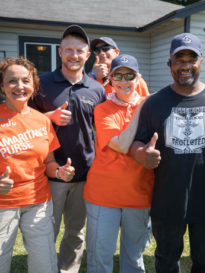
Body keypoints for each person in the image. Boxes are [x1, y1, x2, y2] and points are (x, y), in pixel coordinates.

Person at [129, 33, 205, 273]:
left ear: (201, 62)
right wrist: (143, 154)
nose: (185, 65)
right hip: (168, 198)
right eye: (179, 60)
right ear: (170, 64)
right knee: (165, 261)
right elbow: (138, 142)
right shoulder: (154, 103)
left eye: (191, 59)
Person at [29, 25, 106, 273]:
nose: (74, 54)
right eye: (69, 49)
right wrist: (47, 117)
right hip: (49, 173)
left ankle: (67, 270)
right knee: (46, 230)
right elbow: (23, 118)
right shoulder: (42, 83)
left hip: (85, 174)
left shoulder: (97, 89)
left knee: (76, 231)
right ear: (60, 52)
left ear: (87, 55)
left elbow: (102, 130)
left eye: (80, 50)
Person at [0, 57, 75, 273]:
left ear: (33, 85)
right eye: (12, 81)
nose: (20, 86)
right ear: (2, 86)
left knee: (45, 264)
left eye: (26, 80)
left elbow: (49, 162)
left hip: (38, 203)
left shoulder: (42, 120)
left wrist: (60, 171)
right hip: (3, 205)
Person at [83, 54, 153, 273]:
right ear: (110, 79)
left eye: (129, 75)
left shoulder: (151, 106)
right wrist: (141, 107)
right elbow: (121, 145)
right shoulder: (103, 109)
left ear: (137, 78)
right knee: (100, 255)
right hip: (104, 196)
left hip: (139, 194)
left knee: (134, 257)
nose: (124, 81)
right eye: (118, 75)